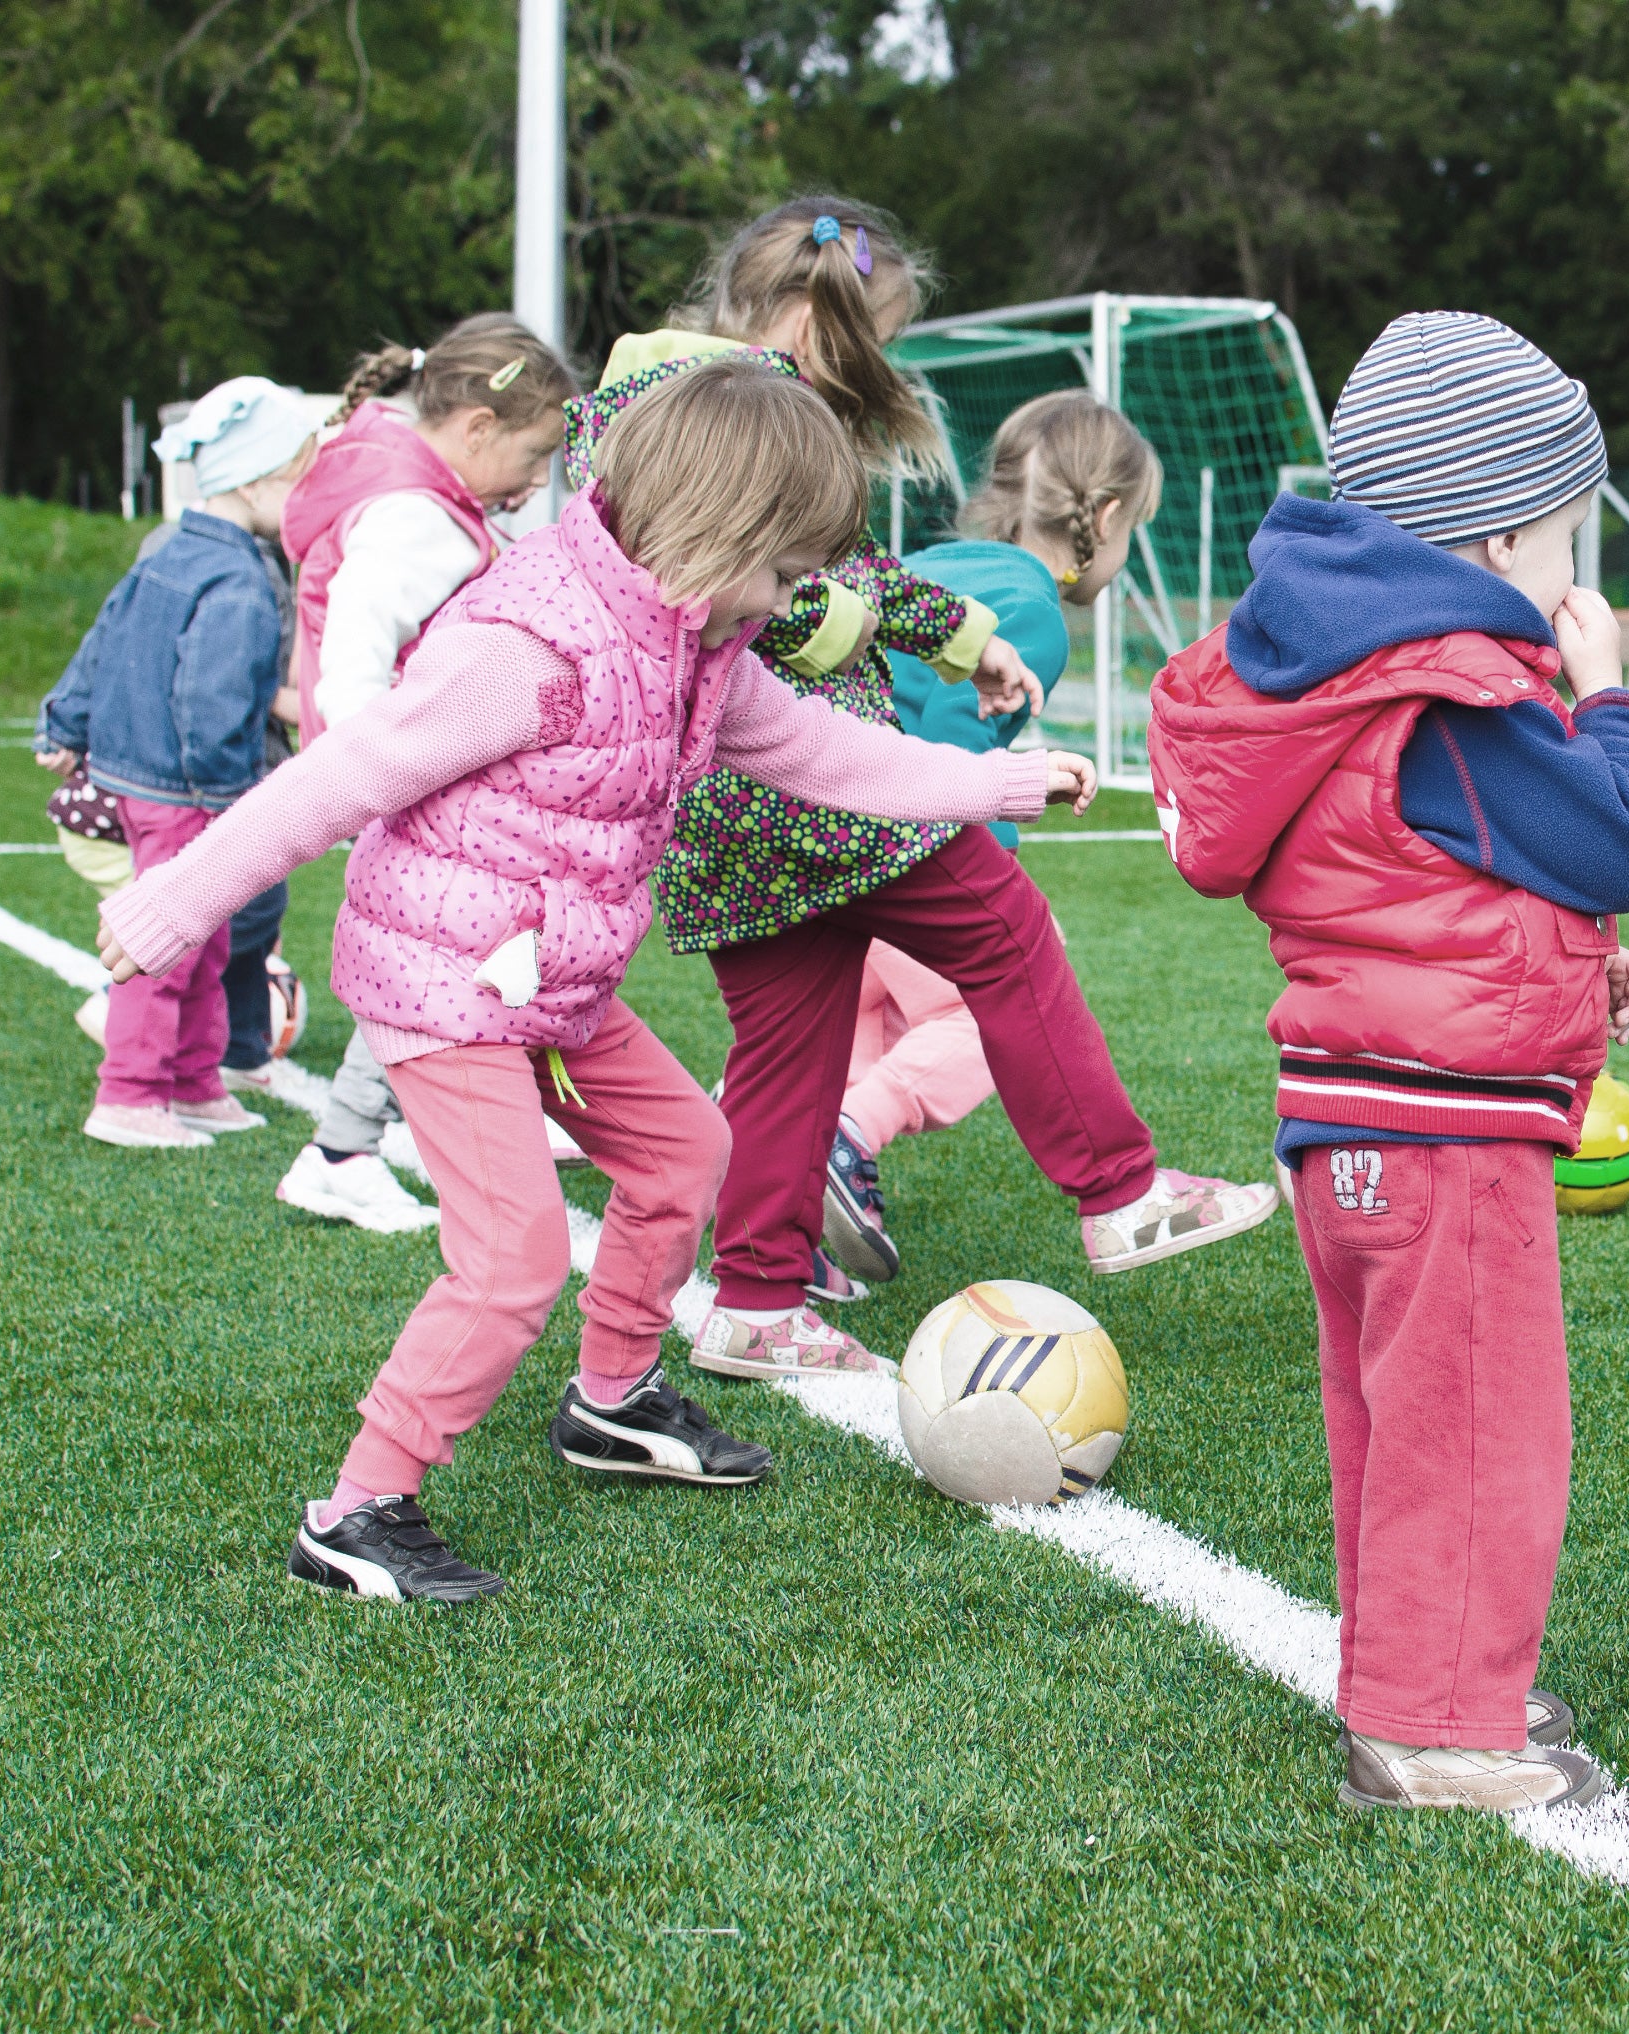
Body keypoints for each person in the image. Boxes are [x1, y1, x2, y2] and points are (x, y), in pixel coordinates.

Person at [93, 358, 1100, 1604]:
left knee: (689, 1153)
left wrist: (998, 782)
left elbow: (821, 752)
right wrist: (175, 901)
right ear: (717, 533)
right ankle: (356, 1512)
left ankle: (613, 1402)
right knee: (513, 1258)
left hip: (553, 984)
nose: (796, 603)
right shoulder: (528, 647)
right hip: (447, 985)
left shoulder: (699, 640)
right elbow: (339, 778)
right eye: (788, 574)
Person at [566, 196, 1274, 1385]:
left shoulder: (651, 396)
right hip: (814, 782)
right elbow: (768, 595)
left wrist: (965, 640)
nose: (874, 371)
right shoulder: (724, 412)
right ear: (807, 318)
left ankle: (754, 1299)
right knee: (1005, 933)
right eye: (870, 341)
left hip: (722, 812)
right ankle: (1119, 1190)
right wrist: (870, 641)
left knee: (793, 1043)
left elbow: (844, 568)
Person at [1149, 312, 1629, 1812]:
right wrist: (1614, 696)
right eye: (1570, 536)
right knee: (1475, 1428)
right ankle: (1436, 1728)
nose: (1577, 574)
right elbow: (1619, 834)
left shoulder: (1341, 671)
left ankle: (1423, 1674)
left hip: (1356, 1120)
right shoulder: (1454, 689)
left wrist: (1575, 971)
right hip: (1445, 1140)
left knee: (1397, 1424)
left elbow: (1416, 880)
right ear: (1501, 529)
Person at [815, 390, 1159, 1288]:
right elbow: (949, 761)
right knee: (986, 1003)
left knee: (852, 1018)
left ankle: (780, 1193)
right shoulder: (1031, 614)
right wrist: (988, 889)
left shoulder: (931, 564)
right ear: (1107, 517)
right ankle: (849, 1136)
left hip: (811, 837)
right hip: (891, 842)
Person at [269, 314, 582, 1235]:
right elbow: (357, 660)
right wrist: (382, 772)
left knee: (459, 954)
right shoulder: (416, 520)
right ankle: (342, 1149)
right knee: (444, 960)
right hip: (412, 783)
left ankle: (375, 1136)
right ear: (477, 430)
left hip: (411, 777)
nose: (536, 486)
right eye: (533, 456)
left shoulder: (417, 493)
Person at [37, 377, 317, 1150]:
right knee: (167, 942)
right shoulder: (239, 577)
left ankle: (194, 1081)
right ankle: (128, 1093)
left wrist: (64, 719)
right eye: (301, 478)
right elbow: (212, 696)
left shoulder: (172, 548)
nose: (307, 497)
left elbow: (104, 635)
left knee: (208, 939)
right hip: (187, 791)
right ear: (258, 480)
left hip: (147, 778)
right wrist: (231, 799)